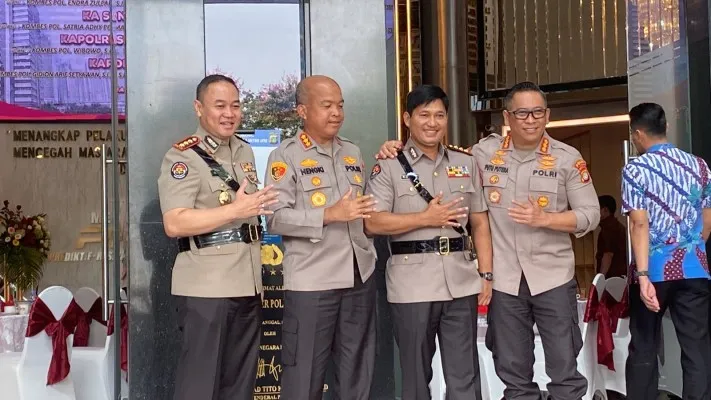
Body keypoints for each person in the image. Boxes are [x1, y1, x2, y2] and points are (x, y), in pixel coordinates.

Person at [376, 81, 600, 400]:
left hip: (552, 278)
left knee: (564, 369)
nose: (530, 119)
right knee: (512, 371)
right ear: (507, 116)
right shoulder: (482, 154)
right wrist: (395, 150)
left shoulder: (567, 158)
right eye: (522, 113)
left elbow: (591, 213)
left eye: (538, 112)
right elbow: (437, 157)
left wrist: (547, 219)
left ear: (547, 115)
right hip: (505, 283)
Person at [364, 84, 492, 399]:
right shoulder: (389, 165)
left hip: (461, 282)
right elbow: (372, 222)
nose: (432, 122)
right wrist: (424, 219)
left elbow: (479, 222)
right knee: (417, 379)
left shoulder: (464, 163)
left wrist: (486, 274)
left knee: (465, 377)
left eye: (439, 115)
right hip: (411, 286)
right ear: (408, 119)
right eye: (424, 115)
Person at [158, 74, 279, 400]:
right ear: (199, 108)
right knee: (200, 384)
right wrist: (235, 211)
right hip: (207, 288)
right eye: (220, 106)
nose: (230, 113)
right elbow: (174, 223)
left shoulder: (242, 151)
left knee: (239, 384)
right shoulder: (183, 157)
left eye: (235, 106)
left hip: (248, 281)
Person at [264, 75, 378, 400]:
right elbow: (276, 218)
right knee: (303, 381)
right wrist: (329, 215)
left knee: (357, 378)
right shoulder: (285, 156)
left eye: (340, 105)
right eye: (326, 105)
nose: (336, 113)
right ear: (302, 110)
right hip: (313, 284)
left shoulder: (352, 152)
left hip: (359, 277)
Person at [622, 102, 711, 400]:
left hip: (654, 271)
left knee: (645, 345)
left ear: (637, 133)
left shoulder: (635, 168)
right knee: (696, 347)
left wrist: (644, 274)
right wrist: (692, 250)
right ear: (666, 128)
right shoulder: (699, 165)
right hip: (694, 269)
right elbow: (707, 221)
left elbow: (639, 223)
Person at [596, 195, 627, 278]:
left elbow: (608, 255)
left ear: (605, 210)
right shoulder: (619, 226)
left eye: (597, 209)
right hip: (621, 277)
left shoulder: (608, 229)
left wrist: (600, 279)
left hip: (611, 279)